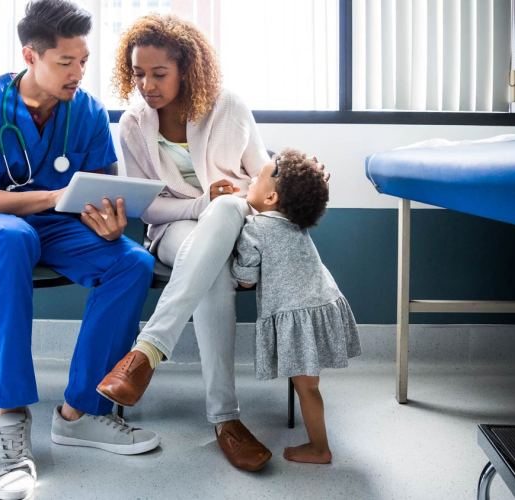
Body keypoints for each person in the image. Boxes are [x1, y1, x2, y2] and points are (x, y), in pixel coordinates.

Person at [0, 2, 159, 498]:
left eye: (83, 61)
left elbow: (99, 190)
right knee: (12, 237)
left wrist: (107, 221)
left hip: (57, 228)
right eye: (66, 62)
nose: (79, 73)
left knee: (131, 261)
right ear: (30, 56)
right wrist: (54, 198)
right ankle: (10, 420)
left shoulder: (88, 112)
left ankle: (81, 413)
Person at [95, 14, 273, 471]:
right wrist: (200, 206)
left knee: (229, 208)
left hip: (236, 225)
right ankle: (226, 421)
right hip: (173, 228)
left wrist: (241, 197)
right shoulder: (133, 124)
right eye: (137, 73)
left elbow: (261, 177)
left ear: (186, 69)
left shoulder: (228, 106)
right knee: (211, 270)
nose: (146, 85)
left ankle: (145, 351)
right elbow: (148, 207)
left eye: (159, 74)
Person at [232, 148, 362, 464]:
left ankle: (320, 448)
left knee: (307, 388)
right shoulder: (295, 220)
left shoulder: (255, 228)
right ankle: (319, 444)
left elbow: (246, 279)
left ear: (272, 197)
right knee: (309, 385)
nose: (250, 179)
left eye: (257, 178)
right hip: (322, 303)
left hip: (298, 312)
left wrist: (232, 261)